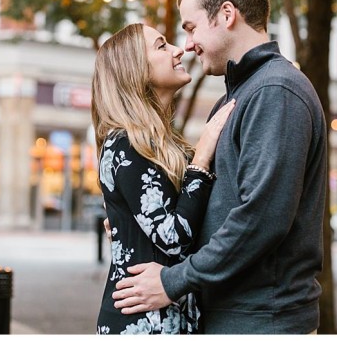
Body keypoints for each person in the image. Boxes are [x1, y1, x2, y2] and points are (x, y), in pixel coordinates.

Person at [110, 0, 328, 334]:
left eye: (191, 27)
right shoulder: (240, 94)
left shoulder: (275, 91)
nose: (189, 44)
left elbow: (261, 218)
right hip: (235, 317)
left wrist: (174, 281)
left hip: (263, 321)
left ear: (226, 14)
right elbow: (214, 207)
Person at [92, 22, 235, 334]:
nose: (179, 49)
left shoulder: (160, 145)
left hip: (168, 316)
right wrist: (202, 156)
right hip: (143, 323)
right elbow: (174, 240)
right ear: (136, 70)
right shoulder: (128, 143)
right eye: (161, 46)